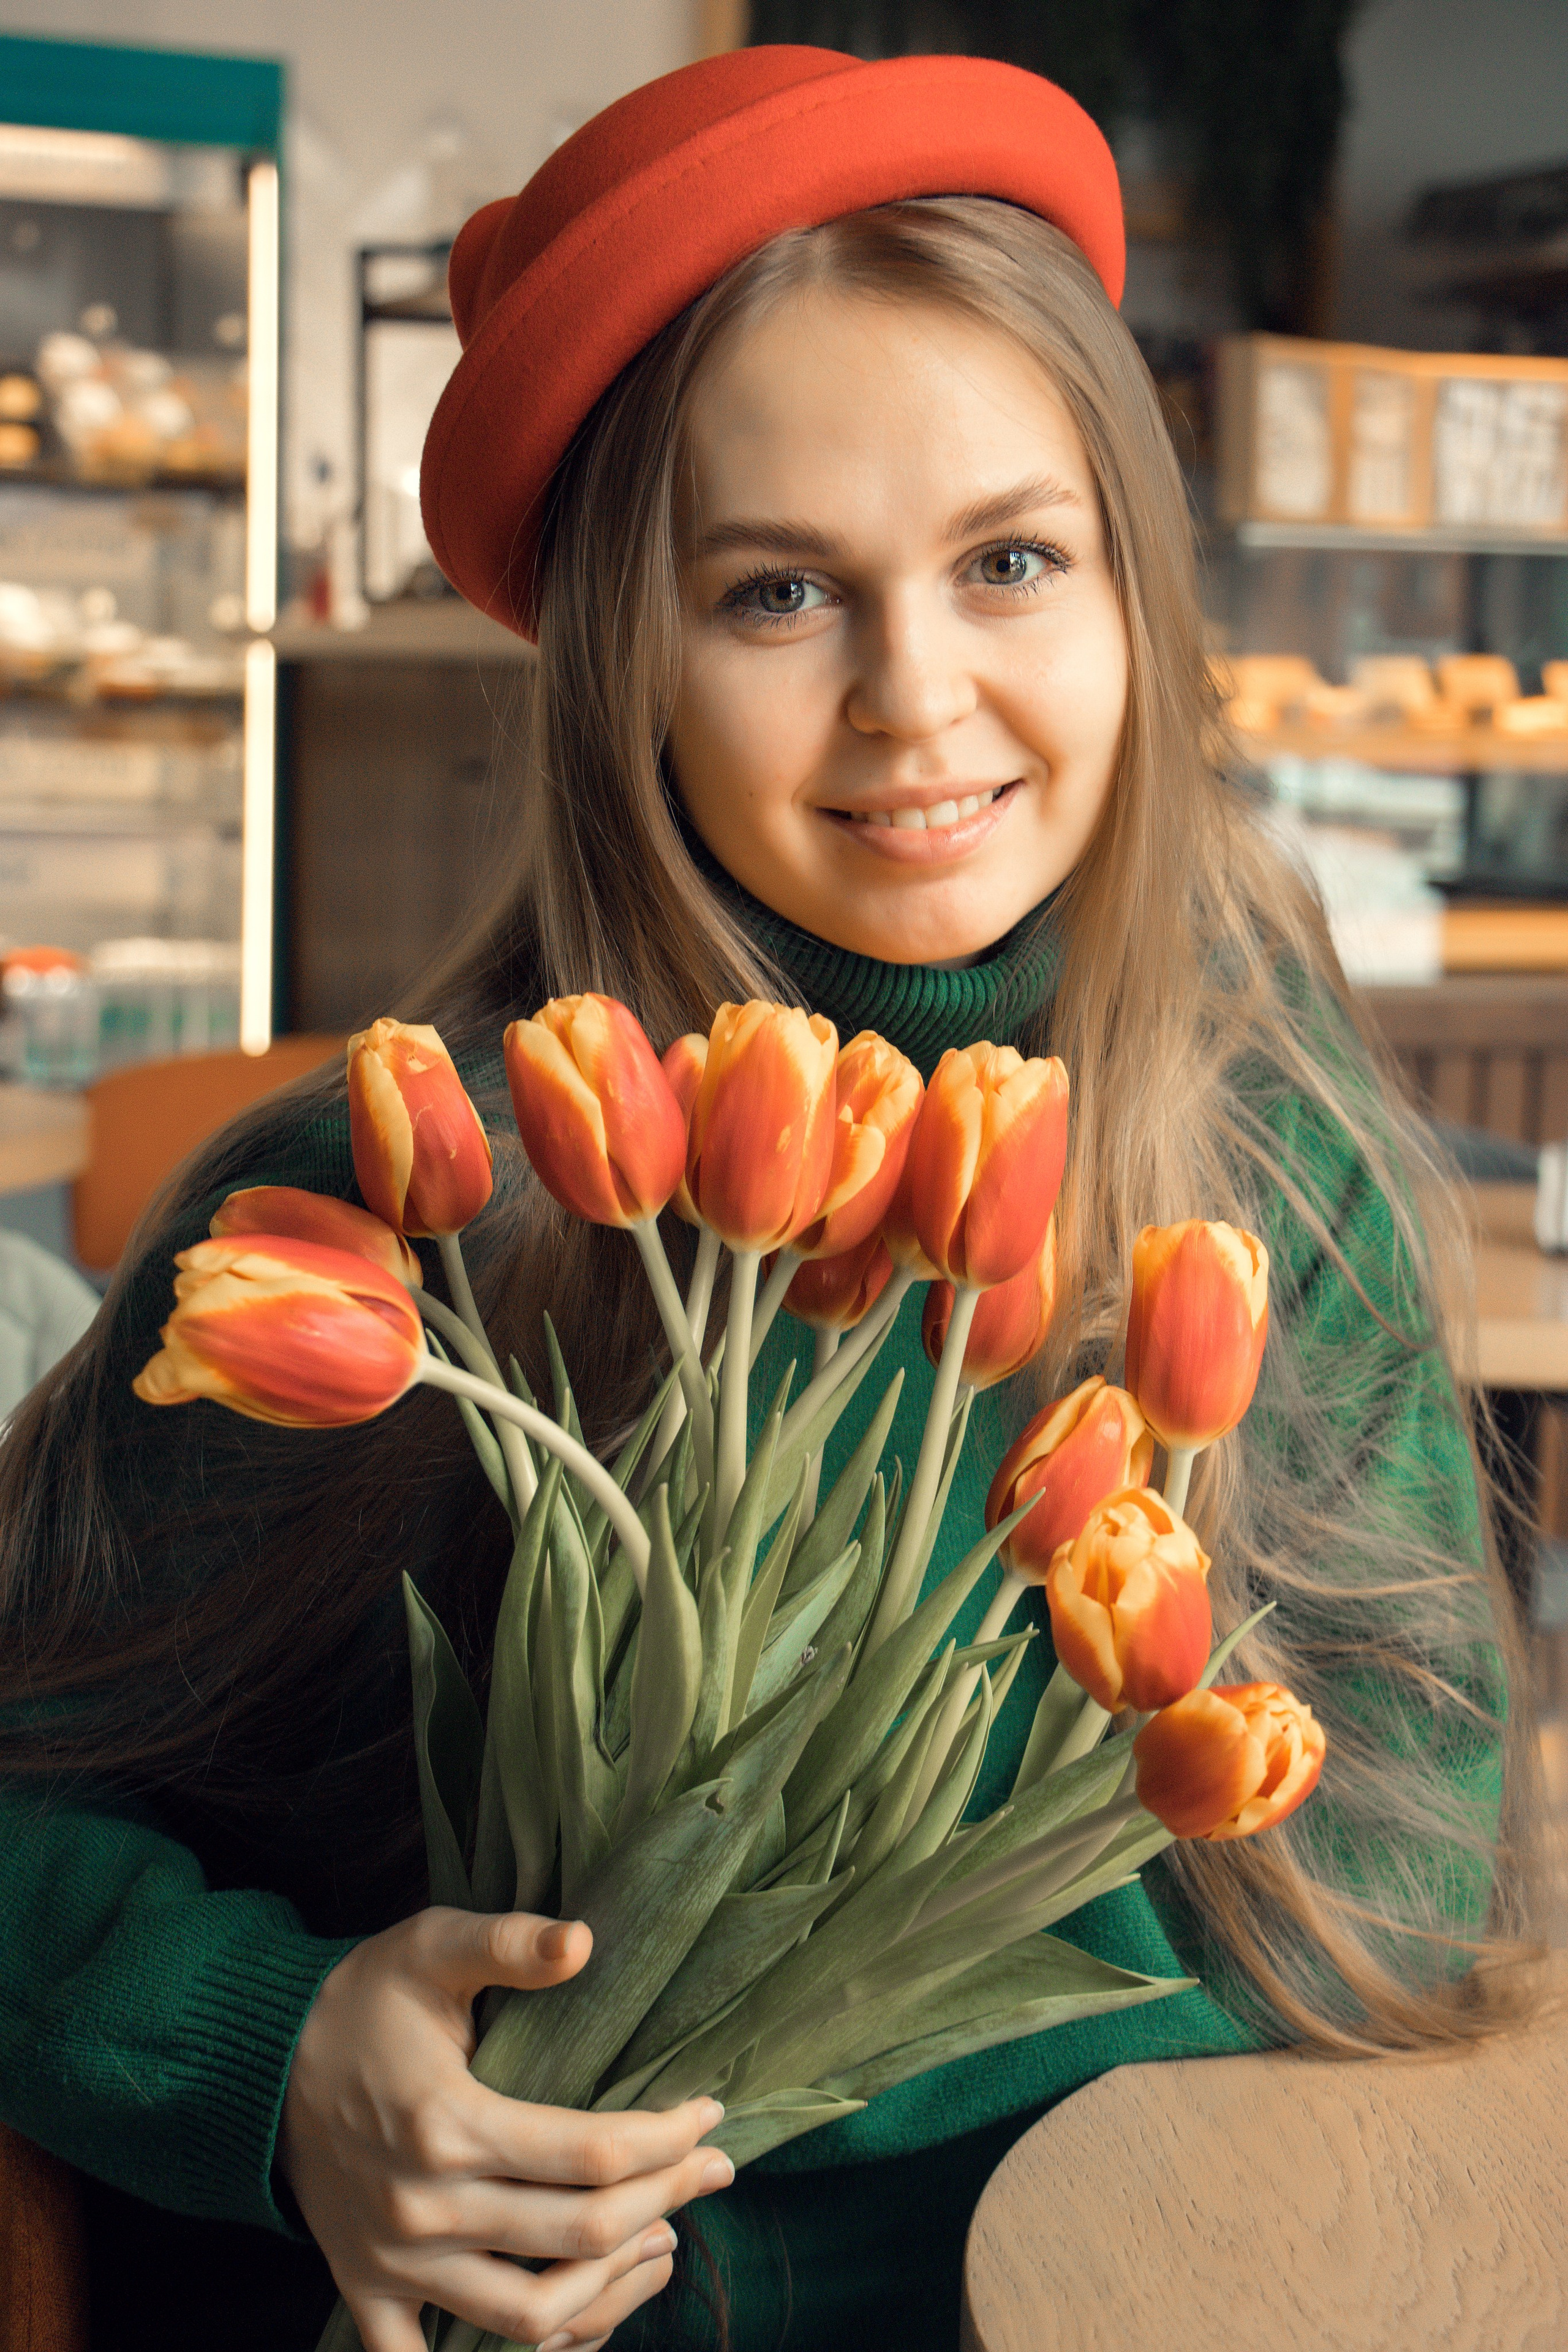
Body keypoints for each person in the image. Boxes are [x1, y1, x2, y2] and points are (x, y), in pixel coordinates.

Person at [0, 45, 1542, 2352]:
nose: (917, 696)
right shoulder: (407, 1221)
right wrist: (283, 2053)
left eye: (1010, 561)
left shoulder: (1262, 1146)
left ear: (1138, 589)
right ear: (621, 660)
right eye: (779, 593)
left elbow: (1419, 1802)